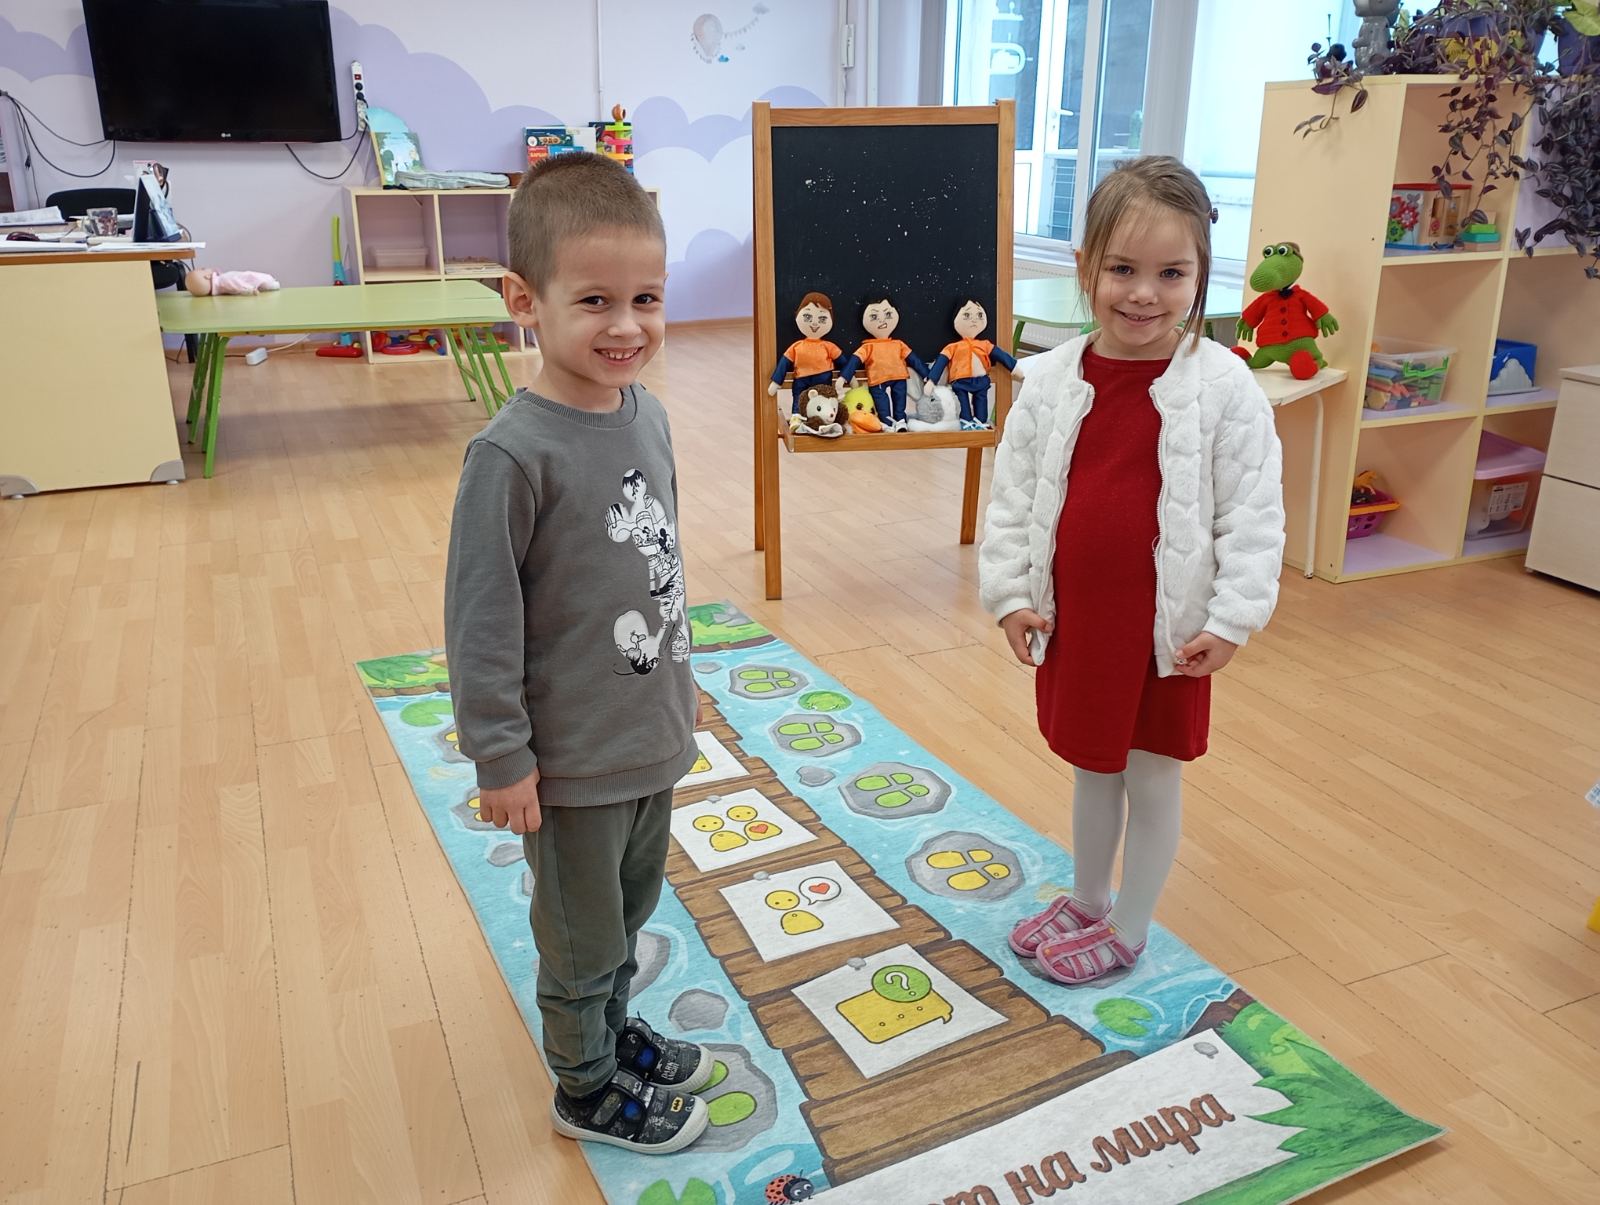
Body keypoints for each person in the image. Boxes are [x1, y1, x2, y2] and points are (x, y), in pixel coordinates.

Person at [443, 151, 711, 1153]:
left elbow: (656, 565)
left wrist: (682, 687)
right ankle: (585, 1084)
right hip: (569, 761)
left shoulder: (650, 415)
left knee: (628, 912)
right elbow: (480, 618)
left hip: (645, 735)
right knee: (580, 933)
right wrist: (500, 755)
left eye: (647, 298)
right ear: (525, 301)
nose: (626, 325)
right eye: (595, 300)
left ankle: (611, 1026)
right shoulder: (511, 455)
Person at [979, 156, 1285, 985]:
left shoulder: (1223, 387)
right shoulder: (1049, 379)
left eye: (1171, 273)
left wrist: (1232, 618)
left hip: (1168, 635)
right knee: (1093, 766)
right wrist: (1009, 594)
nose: (1144, 294)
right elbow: (1011, 498)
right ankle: (1088, 897)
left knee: (1151, 776)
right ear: (1086, 268)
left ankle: (1131, 925)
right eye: (1122, 269)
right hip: (1081, 622)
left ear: (1200, 274)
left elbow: (1253, 513)